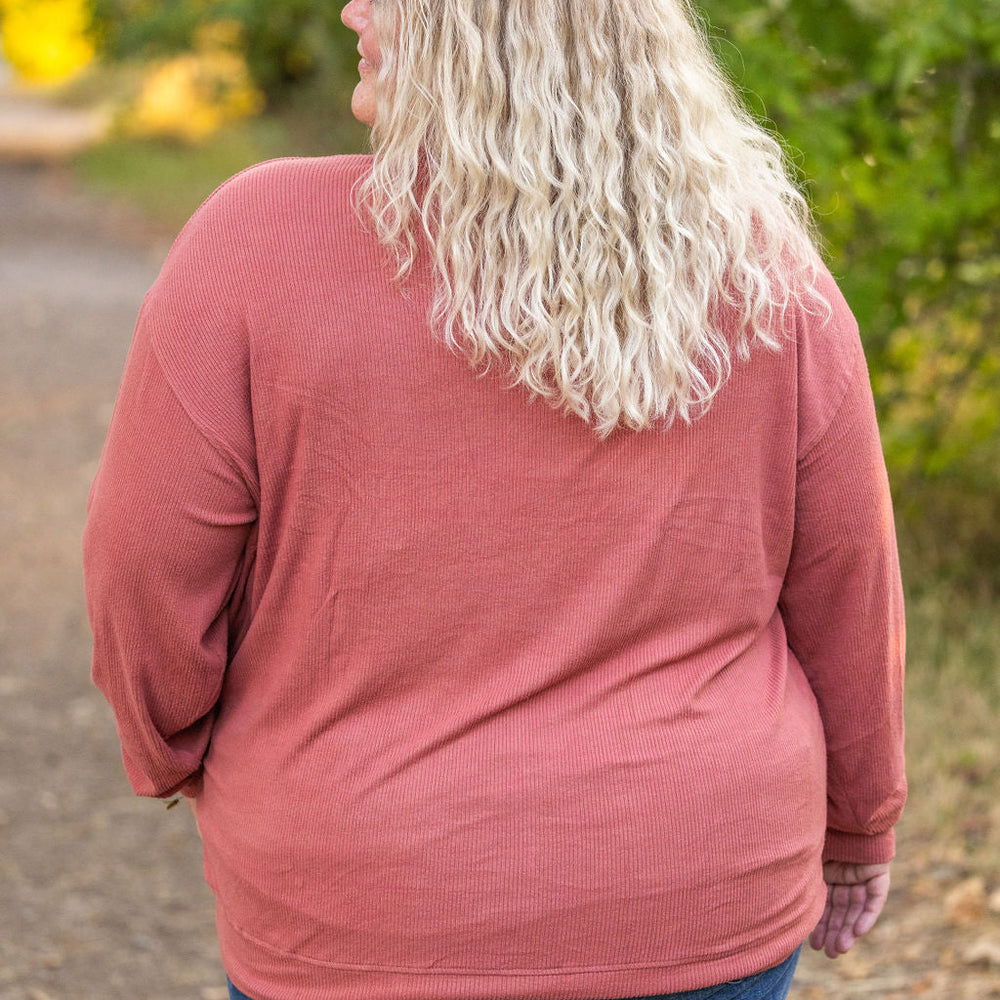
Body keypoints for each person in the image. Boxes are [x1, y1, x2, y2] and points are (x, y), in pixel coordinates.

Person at [82, 1, 906, 999]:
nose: (351, 9)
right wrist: (857, 825)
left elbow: (142, 571)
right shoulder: (759, 270)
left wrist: (175, 746)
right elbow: (848, 593)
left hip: (357, 897)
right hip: (695, 893)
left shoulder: (254, 240)